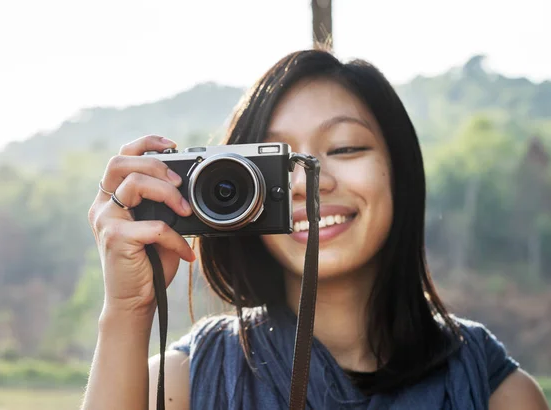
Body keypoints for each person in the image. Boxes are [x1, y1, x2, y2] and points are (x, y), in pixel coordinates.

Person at [81, 50, 549, 410]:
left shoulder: (492, 392)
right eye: (277, 163)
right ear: (238, 199)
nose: (311, 182)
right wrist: (128, 310)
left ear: (401, 172)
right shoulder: (187, 383)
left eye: (344, 148)